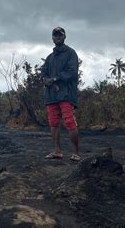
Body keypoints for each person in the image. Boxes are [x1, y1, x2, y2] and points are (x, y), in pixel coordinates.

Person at [41, 26, 80, 161]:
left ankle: (76, 153)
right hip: (51, 95)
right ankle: (57, 151)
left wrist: (55, 79)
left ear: (64, 37)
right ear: (52, 38)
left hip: (66, 94)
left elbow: (72, 72)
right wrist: (46, 80)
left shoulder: (71, 53)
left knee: (69, 122)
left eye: (60, 35)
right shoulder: (49, 57)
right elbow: (43, 72)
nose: (57, 37)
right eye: (55, 35)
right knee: (53, 122)